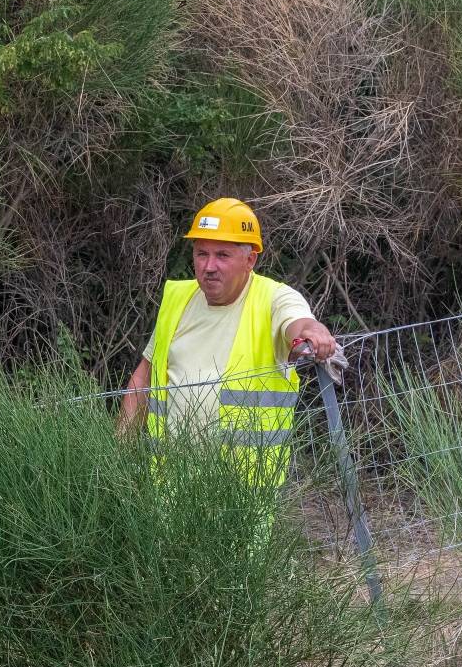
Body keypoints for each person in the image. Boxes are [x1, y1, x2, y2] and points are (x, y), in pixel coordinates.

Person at [119, 198, 336, 485]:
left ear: (250, 260)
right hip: (169, 482)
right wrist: (119, 454)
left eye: (222, 255)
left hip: (242, 494)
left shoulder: (274, 298)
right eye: (201, 254)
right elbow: (144, 377)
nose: (209, 266)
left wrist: (312, 331)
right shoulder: (177, 300)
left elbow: (297, 322)